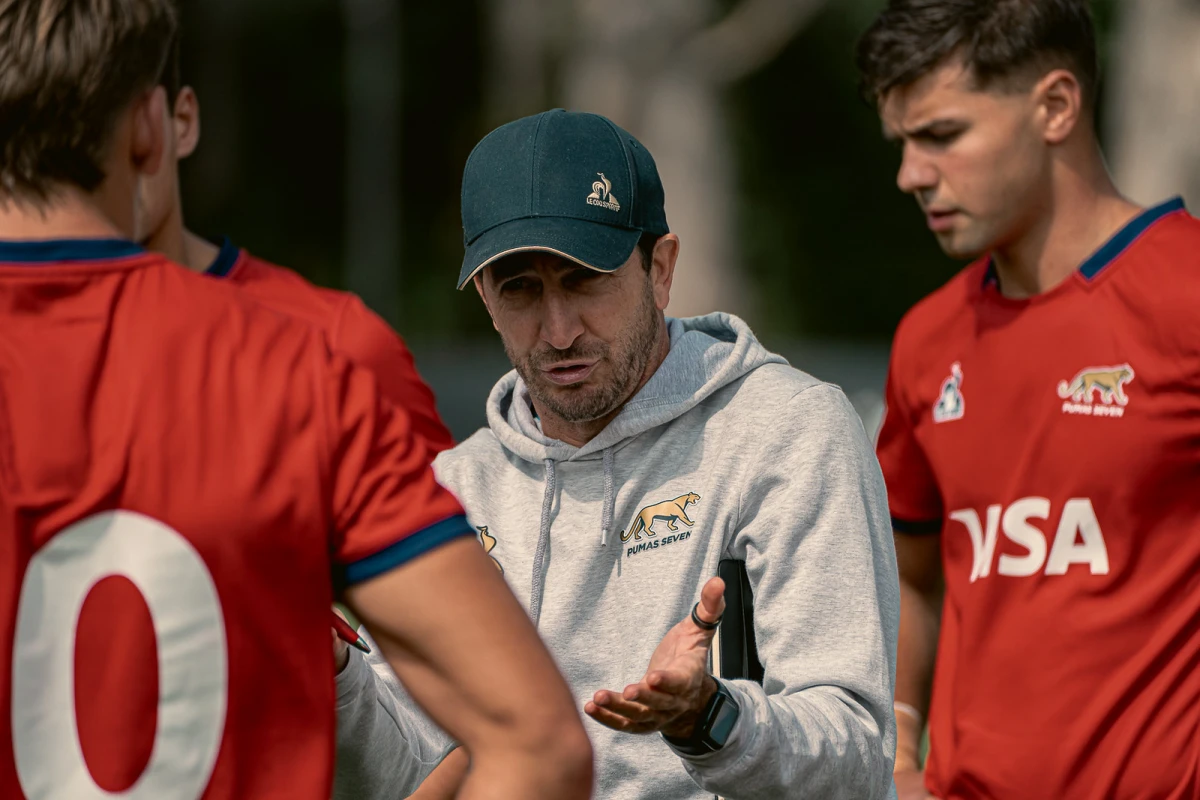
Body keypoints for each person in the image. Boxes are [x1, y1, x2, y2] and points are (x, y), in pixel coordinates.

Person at [0, 2, 593, 799]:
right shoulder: (301, 364)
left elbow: (411, 726)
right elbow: (536, 742)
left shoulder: (322, 346)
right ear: (150, 127)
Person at [336, 108, 901, 800]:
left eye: (584, 279)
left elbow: (857, 758)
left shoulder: (790, 431)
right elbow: (412, 774)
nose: (559, 329)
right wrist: (331, 669)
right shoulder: (452, 488)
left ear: (660, 269)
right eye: (521, 289)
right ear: (484, 297)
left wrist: (710, 720)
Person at [857, 1, 1200, 798]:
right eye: (902, 143)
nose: (911, 173)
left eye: (941, 135)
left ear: (1055, 107)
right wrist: (900, 749)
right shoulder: (926, 340)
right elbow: (909, 576)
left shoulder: (1186, 296)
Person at [138, 34, 453, 458]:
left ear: (183, 122)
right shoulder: (19, 355)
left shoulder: (340, 349)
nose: (96, 154)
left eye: (123, 117)